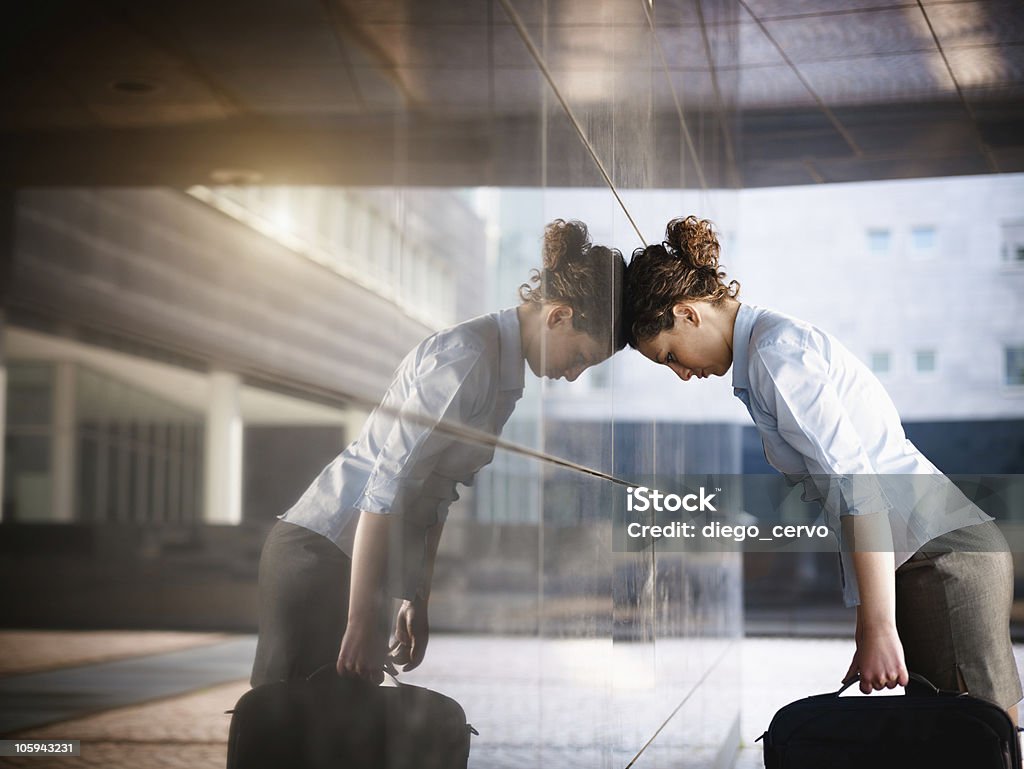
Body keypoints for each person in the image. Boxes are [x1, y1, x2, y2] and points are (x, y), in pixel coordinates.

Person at [622, 215, 1021, 721]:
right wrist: (870, 623)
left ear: (687, 313)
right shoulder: (769, 351)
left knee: (976, 741)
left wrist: (878, 626)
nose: (681, 374)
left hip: (941, 559)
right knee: (968, 740)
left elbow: (860, 491)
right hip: (936, 554)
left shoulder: (774, 356)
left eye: (670, 355)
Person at [251, 219, 625, 687]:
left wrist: (414, 597)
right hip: (321, 554)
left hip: (358, 567)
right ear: (558, 316)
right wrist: (361, 618)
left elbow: (436, 494)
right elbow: (387, 484)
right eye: (581, 358)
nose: (573, 374)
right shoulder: (468, 357)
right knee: (289, 731)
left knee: (337, 734)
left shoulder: (504, 374)